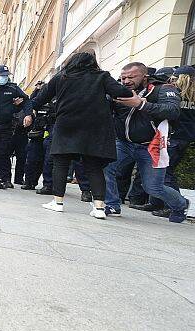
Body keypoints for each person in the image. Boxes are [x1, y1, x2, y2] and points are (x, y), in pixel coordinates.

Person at [23, 52, 134, 219]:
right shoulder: (102, 76)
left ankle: (58, 202)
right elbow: (122, 92)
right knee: (94, 166)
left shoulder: (62, 77)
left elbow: (40, 98)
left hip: (67, 124)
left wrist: (30, 111)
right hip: (95, 126)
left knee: (60, 163)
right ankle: (99, 208)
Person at [103, 62, 190, 223]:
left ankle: (180, 204)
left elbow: (172, 111)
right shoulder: (119, 92)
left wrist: (140, 104)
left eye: (131, 77)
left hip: (151, 146)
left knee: (153, 188)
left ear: (145, 76)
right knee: (105, 166)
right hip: (124, 143)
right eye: (123, 78)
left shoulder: (163, 89)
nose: (126, 81)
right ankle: (112, 204)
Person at [148, 65, 195, 218]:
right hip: (186, 138)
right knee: (166, 170)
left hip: (173, 136)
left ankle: (175, 204)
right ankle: (159, 202)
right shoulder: (192, 96)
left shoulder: (176, 94)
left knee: (165, 171)